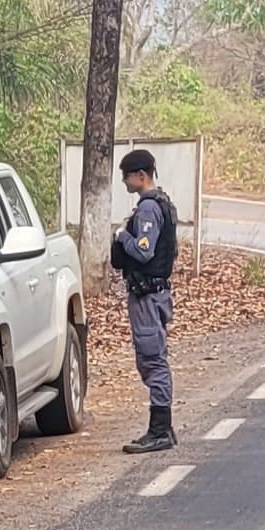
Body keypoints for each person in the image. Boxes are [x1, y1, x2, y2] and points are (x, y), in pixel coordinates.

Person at [111, 147, 180, 452]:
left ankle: (161, 430)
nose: (125, 183)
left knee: (153, 360)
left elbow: (143, 251)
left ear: (141, 176)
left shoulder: (149, 209)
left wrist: (122, 236)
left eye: (127, 176)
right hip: (152, 293)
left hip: (149, 296)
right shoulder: (158, 204)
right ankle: (161, 428)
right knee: (150, 358)